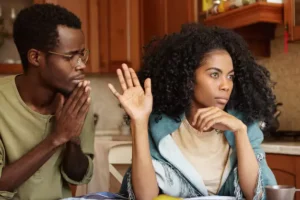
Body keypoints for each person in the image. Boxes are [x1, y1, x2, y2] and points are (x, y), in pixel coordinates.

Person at [108, 24, 277, 200]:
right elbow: (145, 197)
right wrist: (139, 122)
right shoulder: (160, 126)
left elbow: (258, 195)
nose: (226, 85)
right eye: (214, 74)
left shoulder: (244, 122)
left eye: (230, 76)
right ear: (187, 77)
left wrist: (240, 132)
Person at [0, 4, 95, 200]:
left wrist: (73, 139)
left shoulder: (76, 101)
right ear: (35, 57)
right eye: (70, 56)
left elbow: (78, 177)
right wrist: (57, 138)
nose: (82, 65)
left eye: (82, 54)